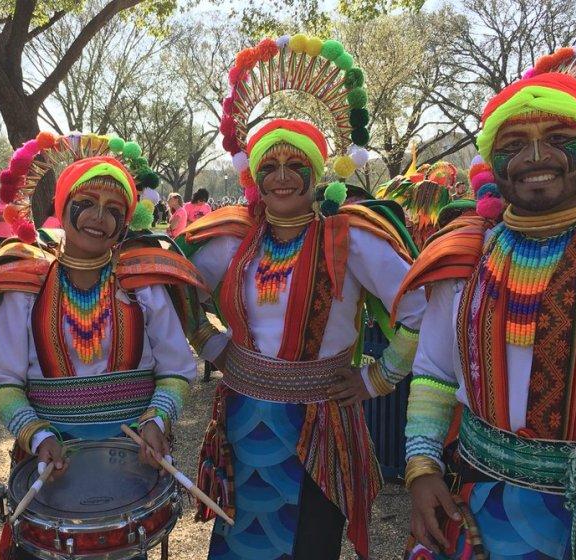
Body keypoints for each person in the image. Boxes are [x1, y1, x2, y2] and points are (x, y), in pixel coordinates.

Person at [397, 58, 576, 559]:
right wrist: (422, 467)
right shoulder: (466, 251)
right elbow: (434, 373)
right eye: (513, 145)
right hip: (473, 502)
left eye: (558, 137)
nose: (535, 156)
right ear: (492, 161)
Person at [180, 35, 426, 560]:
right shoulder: (233, 238)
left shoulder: (351, 238)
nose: (283, 176)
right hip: (244, 418)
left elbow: (422, 306)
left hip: (320, 423)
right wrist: (212, 345)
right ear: (254, 176)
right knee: (237, 535)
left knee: (308, 543)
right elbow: (175, 286)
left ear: (320, 173)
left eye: (297, 165)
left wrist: (377, 377)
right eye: (270, 166)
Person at [0, 132, 208, 559]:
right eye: (86, 203)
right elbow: (3, 380)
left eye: (113, 209)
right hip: (51, 464)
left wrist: (158, 420)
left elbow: (176, 369)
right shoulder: (25, 288)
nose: (99, 217)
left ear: (126, 221)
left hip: (133, 470)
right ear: (62, 207)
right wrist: (37, 432)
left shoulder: (144, 286)